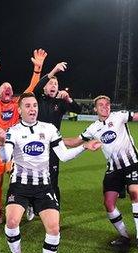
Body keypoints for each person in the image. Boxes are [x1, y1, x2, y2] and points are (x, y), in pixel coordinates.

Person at [0, 92, 100, 253]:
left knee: (54, 228)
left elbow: (64, 156)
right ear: (20, 110)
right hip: (20, 185)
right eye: (27, 106)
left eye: (34, 105)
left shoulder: (49, 129)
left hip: (44, 186)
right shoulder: (13, 131)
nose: (32, 109)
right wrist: (1, 143)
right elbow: (4, 158)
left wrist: (84, 147)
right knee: (11, 222)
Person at [65, 95, 138, 250]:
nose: (105, 107)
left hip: (131, 164)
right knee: (109, 204)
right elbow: (75, 142)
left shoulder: (119, 116)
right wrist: (54, 139)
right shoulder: (93, 128)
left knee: (135, 194)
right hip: (113, 169)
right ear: (95, 109)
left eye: (107, 104)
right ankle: (124, 236)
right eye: (101, 105)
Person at [0, 49, 47, 223]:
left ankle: (26, 205)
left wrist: (37, 70)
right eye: (4, 88)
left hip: (16, 147)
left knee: (19, 180)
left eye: (9, 88)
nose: (8, 89)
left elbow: (31, 89)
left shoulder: (17, 103)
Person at [33, 61, 82, 214]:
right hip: (37, 145)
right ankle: (32, 206)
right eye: (51, 83)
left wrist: (68, 99)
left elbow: (77, 110)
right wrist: (53, 71)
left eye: (56, 83)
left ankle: (55, 207)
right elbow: (37, 87)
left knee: (53, 179)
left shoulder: (60, 103)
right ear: (45, 87)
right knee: (34, 178)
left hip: (53, 146)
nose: (54, 85)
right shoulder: (38, 99)